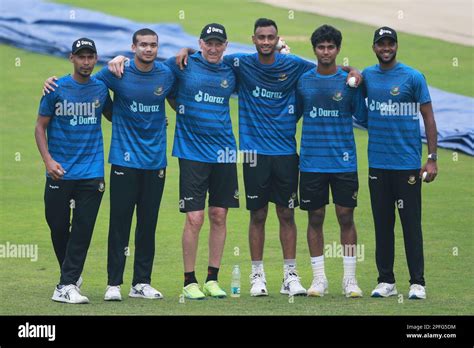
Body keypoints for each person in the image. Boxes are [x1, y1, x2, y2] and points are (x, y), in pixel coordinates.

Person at [177, 18, 362, 297]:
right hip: (253, 153)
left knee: (286, 213)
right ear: (253, 39)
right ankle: (257, 276)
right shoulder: (240, 62)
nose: (265, 42)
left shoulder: (295, 65)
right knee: (258, 214)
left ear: (278, 39)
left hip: (286, 152)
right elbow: (211, 55)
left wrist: (353, 72)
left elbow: (325, 70)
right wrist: (186, 50)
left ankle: (290, 275)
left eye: (270, 37)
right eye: (261, 37)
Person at [108, 23, 239, 300]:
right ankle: (189, 281)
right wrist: (120, 58)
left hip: (225, 152)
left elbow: (264, 65)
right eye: (208, 43)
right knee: (195, 218)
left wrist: (280, 49)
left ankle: (212, 279)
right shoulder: (178, 65)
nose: (213, 48)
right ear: (200, 44)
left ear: (226, 45)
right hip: (191, 152)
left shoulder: (233, 69)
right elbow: (146, 70)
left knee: (219, 215)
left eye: (219, 43)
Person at [44, 28, 176, 301]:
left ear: (157, 47)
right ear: (133, 47)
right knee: (119, 223)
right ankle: (113, 284)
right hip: (123, 161)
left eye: (153, 45)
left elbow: (187, 66)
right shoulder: (112, 74)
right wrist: (115, 59)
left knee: (148, 224)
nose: (148, 49)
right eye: (143, 45)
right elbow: (86, 82)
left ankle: (141, 283)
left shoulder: (166, 73)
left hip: (155, 162)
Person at [363, 27, 438, 300]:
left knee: (411, 224)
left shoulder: (413, 77)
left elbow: (428, 118)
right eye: (381, 44)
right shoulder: (368, 76)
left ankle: (417, 282)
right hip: (378, 165)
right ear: (374, 47)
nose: (386, 48)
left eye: (390, 43)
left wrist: (431, 158)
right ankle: (386, 281)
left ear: (396, 46)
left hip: (407, 166)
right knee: (382, 225)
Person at [36, 38, 112, 304]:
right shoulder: (55, 88)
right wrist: (48, 161)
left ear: (96, 59)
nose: (87, 62)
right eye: (82, 57)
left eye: (91, 57)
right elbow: (40, 126)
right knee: (58, 226)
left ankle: (66, 284)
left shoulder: (101, 89)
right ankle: (71, 275)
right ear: (72, 58)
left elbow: (117, 115)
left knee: (82, 229)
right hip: (59, 171)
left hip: (91, 172)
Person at [296, 25, 367, 298]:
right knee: (315, 217)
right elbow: (293, 116)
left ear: (338, 49)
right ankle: (319, 280)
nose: (326, 52)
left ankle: (350, 280)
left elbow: (362, 117)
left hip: (344, 162)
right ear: (314, 49)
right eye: (321, 47)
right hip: (312, 163)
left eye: (331, 47)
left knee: (345, 216)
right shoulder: (303, 81)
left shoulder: (350, 82)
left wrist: (359, 80)